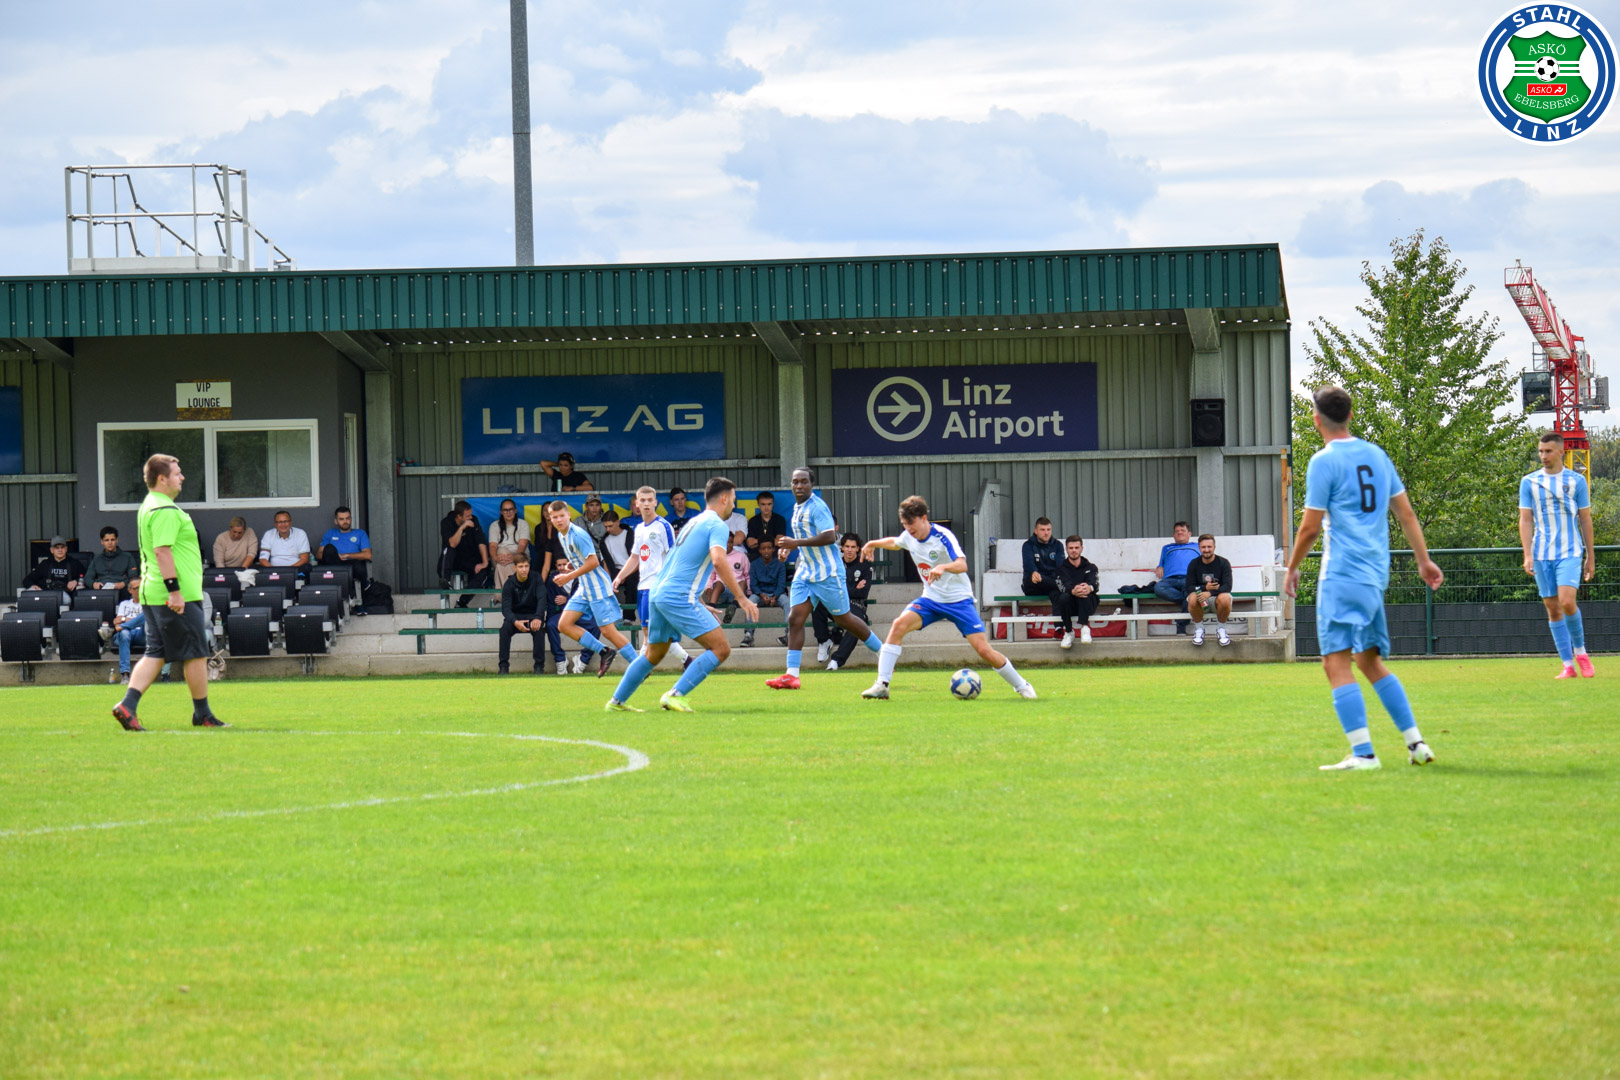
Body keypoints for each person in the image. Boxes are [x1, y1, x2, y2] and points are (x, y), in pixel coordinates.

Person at [1284, 385, 1441, 772]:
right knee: (1368, 660)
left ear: (1316, 420)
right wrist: (1423, 561)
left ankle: (1364, 754)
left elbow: (1310, 528)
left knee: (1334, 662)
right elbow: (1406, 513)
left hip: (1342, 573)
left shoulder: (1323, 461)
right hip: (1373, 573)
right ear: (1350, 415)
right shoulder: (1376, 455)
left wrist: (1292, 567)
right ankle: (1416, 743)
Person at [605, 476, 759, 713]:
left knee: (652, 654)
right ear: (724, 498)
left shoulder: (693, 523)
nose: (733, 504)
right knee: (721, 649)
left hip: (658, 593)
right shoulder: (717, 525)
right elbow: (719, 560)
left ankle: (616, 702)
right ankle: (674, 695)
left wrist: (697, 600)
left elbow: (677, 563)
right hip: (677, 596)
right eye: (733, 499)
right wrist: (741, 597)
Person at [861, 496, 1037, 701]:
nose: (908, 529)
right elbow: (895, 542)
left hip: (959, 601)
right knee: (899, 625)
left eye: (911, 523)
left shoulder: (943, 536)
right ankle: (882, 685)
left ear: (924, 518)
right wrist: (873, 543)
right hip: (931, 599)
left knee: (983, 650)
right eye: (904, 524)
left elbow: (962, 565)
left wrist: (943, 567)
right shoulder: (909, 536)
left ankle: (1021, 685)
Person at [111, 453, 226, 732]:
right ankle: (203, 714)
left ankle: (128, 705)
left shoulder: (149, 504)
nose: (182, 477)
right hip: (174, 595)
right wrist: (175, 592)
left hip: (153, 592)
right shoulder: (164, 509)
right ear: (162, 479)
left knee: (156, 652)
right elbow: (162, 551)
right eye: (177, 473)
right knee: (196, 652)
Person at [767, 468, 884, 690]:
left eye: (804, 482)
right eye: (795, 482)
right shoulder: (797, 507)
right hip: (806, 572)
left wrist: (795, 543)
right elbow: (804, 538)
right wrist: (788, 549)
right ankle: (792, 675)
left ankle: (883, 652)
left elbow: (830, 536)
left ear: (812, 485)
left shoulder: (817, 507)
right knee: (795, 618)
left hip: (828, 573)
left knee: (844, 620)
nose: (799, 486)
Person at [1520, 431, 1597, 678]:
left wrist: (1590, 556)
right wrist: (1527, 554)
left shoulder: (1577, 481)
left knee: (1567, 602)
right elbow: (1525, 519)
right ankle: (1568, 665)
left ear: (1561, 452)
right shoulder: (1529, 482)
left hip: (1570, 551)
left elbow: (1585, 519)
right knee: (1553, 609)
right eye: (1541, 451)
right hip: (1542, 554)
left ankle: (1581, 653)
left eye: (1548, 451)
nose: (1543, 456)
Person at [548, 501, 634, 677]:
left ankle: (638, 665)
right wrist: (573, 565)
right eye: (555, 517)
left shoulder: (577, 534)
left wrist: (569, 576)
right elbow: (582, 558)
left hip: (597, 586)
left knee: (608, 631)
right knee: (564, 625)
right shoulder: (561, 535)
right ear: (550, 518)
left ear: (569, 515)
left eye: (562, 516)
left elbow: (594, 561)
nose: (559, 520)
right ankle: (604, 651)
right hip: (584, 587)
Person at [611, 486, 691, 667]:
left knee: (648, 632)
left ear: (655, 502)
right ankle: (687, 661)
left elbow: (673, 556)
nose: (646, 504)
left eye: (649, 500)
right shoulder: (639, 528)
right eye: (642, 500)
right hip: (643, 586)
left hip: (658, 586)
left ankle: (641, 669)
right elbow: (635, 557)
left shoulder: (663, 526)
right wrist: (620, 577)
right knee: (653, 633)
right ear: (636, 504)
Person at [816, 533, 875, 671]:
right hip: (835, 602)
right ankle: (824, 641)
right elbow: (827, 588)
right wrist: (852, 588)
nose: (849, 550)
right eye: (847, 546)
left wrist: (841, 589)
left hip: (856, 605)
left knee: (857, 625)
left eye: (853, 547)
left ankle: (836, 661)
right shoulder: (835, 564)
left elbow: (862, 593)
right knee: (817, 604)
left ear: (858, 549)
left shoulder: (865, 566)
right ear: (842, 548)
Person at [496, 552, 549, 674]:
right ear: (515, 568)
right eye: (521, 567)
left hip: (533, 615)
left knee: (539, 629)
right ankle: (503, 667)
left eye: (526, 566)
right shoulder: (509, 584)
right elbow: (506, 609)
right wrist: (515, 621)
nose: (524, 570)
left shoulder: (536, 578)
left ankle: (539, 667)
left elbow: (542, 600)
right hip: (516, 617)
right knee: (504, 630)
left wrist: (538, 617)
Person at [544, 558, 598, 674]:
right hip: (561, 614)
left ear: (570, 564)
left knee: (596, 626)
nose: (562, 567)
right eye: (559, 565)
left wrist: (567, 599)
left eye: (564, 564)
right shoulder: (552, 580)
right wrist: (549, 619)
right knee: (551, 625)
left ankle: (583, 659)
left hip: (580, 613)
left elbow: (586, 597)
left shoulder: (581, 577)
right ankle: (560, 660)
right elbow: (551, 603)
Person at [317, 506, 372, 614]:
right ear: (336, 521)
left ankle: (357, 601)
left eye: (347, 518)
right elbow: (319, 555)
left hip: (352, 564)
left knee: (357, 565)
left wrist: (348, 555)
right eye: (341, 519)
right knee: (329, 549)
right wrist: (336, 556)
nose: (345, 521)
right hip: (334, 565)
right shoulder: (330, 533)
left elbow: (368, 555)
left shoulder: (360, 533)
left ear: (351, 519)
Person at [1185, 533, 1234, 647]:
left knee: (1225, 597)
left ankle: (1221, 629)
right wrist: (1204, 588)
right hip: (1201, 601)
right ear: (1199, 548)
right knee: (1192, 597)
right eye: (1203, 547)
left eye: (1209, 547)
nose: (1206, 550)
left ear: (1214, 547)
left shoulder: (1223, 563)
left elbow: (1227, 586)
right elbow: (1189, 587)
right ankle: (1199, 629)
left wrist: (1210, 593)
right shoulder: (1194, 563)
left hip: (1217, 600)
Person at [439, 500, 491, 607]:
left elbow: (481, 542)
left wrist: (485, 563)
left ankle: (462, 602)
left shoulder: (474, 520)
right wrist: (462, 528)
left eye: (471, 515)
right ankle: (445, 580)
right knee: (449, 549)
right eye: (468, 516)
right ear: (459, 516)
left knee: (484, 570)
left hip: (469, 559)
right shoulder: (446, 522)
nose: (471, 518)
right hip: (452, 560)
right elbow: (452, 544)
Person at [1053, 534, 1100, 649]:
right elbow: (1062, 586)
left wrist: (1089, 588)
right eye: (1071, 548)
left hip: (1088, 603)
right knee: (1064, 597)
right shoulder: (1060, 569)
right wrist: (1073, 591)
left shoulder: (1091, 567)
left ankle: (1085, 628)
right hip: (1070, 605)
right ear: (1066, 549)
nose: (1074, 550)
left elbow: (1095, 584)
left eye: (1076, 547)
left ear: (1081, 549)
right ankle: (1069, 632)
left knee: (1084, 593)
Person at [705, 534, 754, 642]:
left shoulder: (741, 556)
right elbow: (711, 576)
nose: (728, 545)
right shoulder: (716, 556)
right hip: (721, 592)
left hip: (737, 593)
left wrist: (749, 591)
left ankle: (733, 607)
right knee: (718, 583)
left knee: (742, 582)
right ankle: (711, 609)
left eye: (730, 542)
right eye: (725, 542)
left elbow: (747, 576)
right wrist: (708, 588)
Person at [1153, 522, 1201, 632]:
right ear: (1173, 535)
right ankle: (1187, 600)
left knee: (1191, 591)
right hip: (1170, 580)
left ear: (1189, 534)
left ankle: (1181, 625)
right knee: (1158, 588)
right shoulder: (1166, 548)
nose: (1179, 533)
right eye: (1177, 531)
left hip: (1189, 579)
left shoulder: (1197, 546)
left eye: (1182, 530)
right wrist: (1159, 566)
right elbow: (1161, 563)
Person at [748, 537, 788, 649]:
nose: (766, 551)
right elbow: (753, 584)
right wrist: (761, 595)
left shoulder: (780, 564)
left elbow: (781, 584)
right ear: (759, 550)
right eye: (763, 548)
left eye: (769, 548)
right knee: (751, 602)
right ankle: (748, 635)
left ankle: (788, 634)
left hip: (777, 594)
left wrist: (775, 596)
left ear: (773, 549)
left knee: (787, 602)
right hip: (760, 594)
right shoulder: (754, 564)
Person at [486, 499, 531, 589]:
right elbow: (493, 546)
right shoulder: (494, 525)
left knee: (501, 565)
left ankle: (503, 593)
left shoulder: (523, 524)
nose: (508, 512)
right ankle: (514, 590)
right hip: (499, 557)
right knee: (502, 552)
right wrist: (495, 558)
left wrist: (514, 558)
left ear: (515, 510)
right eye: (505, 510)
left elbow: (522, 545)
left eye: (511, 509)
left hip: (520, 556)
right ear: (501, 512)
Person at [1020, 518, 1065, 608]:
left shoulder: (1058, 545)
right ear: (1036, 531)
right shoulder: (1028, 545)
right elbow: (1029, 566)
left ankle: (1058, 617)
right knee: (1038, 579)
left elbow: (1061, 567)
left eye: (1048, 529)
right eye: (1042, 530)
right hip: (1034, 585)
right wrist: (1034, 573)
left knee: (1057, 595)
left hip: (1051, 585)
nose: (1046, 533)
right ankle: (1063, 587)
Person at [111, 570, 145, 684]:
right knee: (124, 633)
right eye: (136, 588)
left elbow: (146, 620)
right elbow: (117, 622)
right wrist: (134, 621)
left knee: (147, 616)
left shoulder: (148, 604)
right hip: (125, 634)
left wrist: (124, 621)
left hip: (142, 634)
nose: (139, 590)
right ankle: (125, 674)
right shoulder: (124, 604)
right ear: (129, 590)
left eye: (141, 587)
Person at [87, 526, 138, 590]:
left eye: (112, 540)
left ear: (117, 540)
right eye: (106, 540)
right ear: (102, 541)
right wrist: (93, 584)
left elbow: (133, 577)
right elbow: (88, 577)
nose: (110, 543)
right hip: (101, 590)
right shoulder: (97, 559)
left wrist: (124, 583)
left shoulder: (127, 557)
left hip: (121, 590)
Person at [600, 511, 633, 590]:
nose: (608, 529)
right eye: (605, 527)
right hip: (614, 572)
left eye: (610, 526)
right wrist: (608, 582)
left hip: (632, 570)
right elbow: (605, 563)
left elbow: (636, 559)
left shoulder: (630, 535)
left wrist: (623, 575)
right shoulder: (604, 541)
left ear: (618, 522)